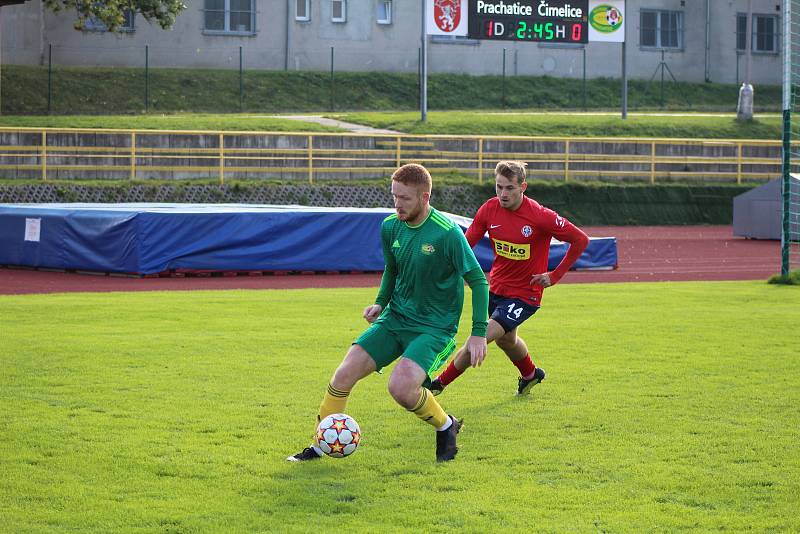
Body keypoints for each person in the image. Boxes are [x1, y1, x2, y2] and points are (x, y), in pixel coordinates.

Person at [287, 163, 489, 463]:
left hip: (434, 328)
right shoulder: (390, 226)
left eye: (404, 198)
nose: (397, 204)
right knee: (344, 373)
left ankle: (445, 426)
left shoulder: (447, 234)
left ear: (425, 197)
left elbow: (478, 281)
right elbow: (392, 269)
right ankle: (320, 445)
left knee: (401, 388)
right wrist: (380, 302)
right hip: (396, 318)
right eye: (394, 196)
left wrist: (478, 334)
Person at [430, 161, 589, 397]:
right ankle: (530, 375)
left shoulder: (540, 216)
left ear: (523, 187)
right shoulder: (489, 209)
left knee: (478, 338)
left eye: (509, 188)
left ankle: (436, 385)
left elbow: (580, 239)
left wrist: (554, 276)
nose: (503, 194)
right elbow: (467, 244)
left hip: (526, 294)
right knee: (508, 341)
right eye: (498, 187)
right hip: (496, 288)